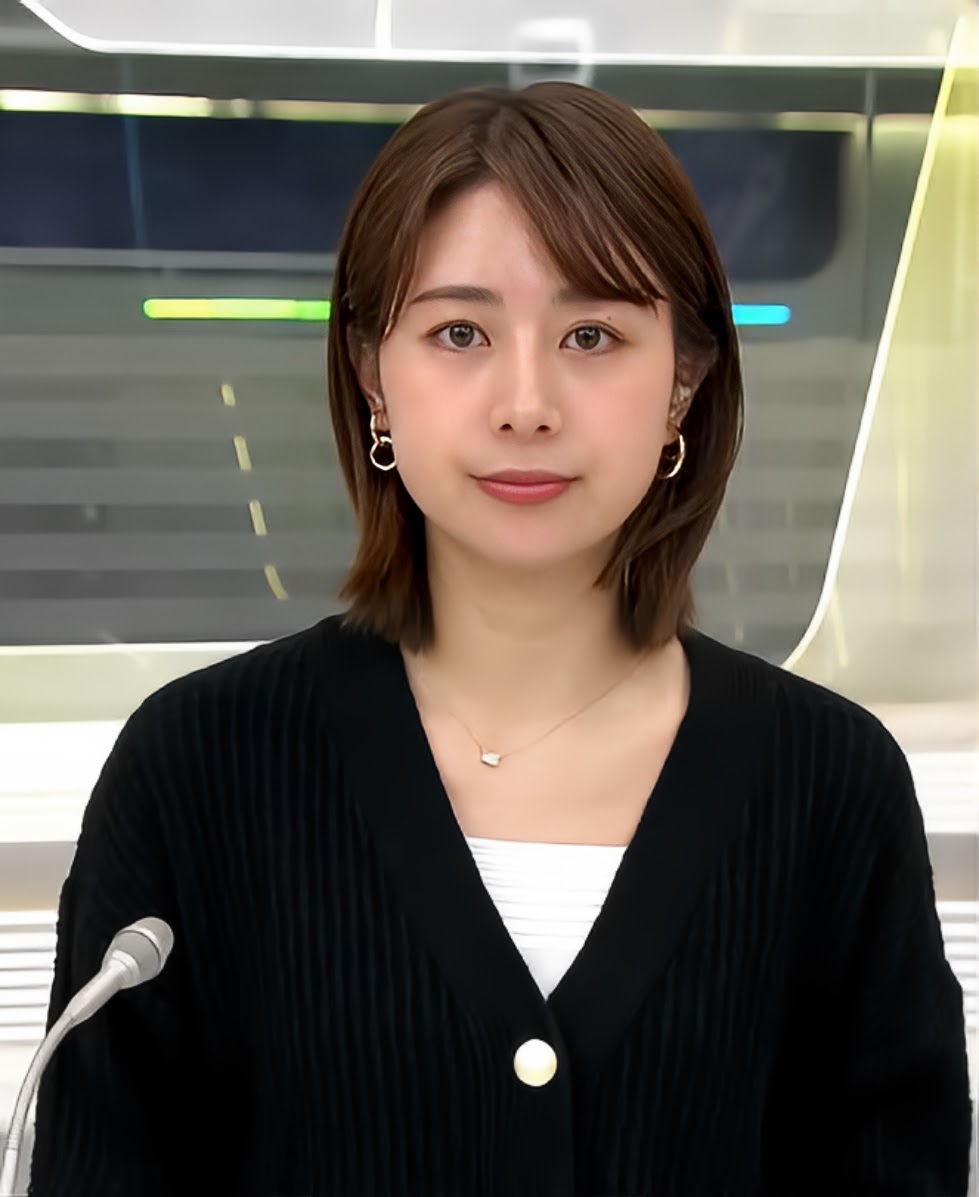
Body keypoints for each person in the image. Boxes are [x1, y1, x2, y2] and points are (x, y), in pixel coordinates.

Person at [28, 82, 972, 1196]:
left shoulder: (831, 784)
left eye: (592, 335)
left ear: (683, 381)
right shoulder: (195, 767)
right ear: (373, 376)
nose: (526, 403)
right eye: (460, 333)